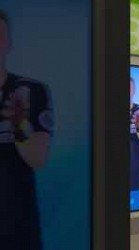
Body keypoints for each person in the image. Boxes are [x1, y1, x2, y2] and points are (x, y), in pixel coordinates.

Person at [0, 10, 54, 250]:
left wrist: (18, 122)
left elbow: (38, 158)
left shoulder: (30, 90)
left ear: (8, 43)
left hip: (16, 223)